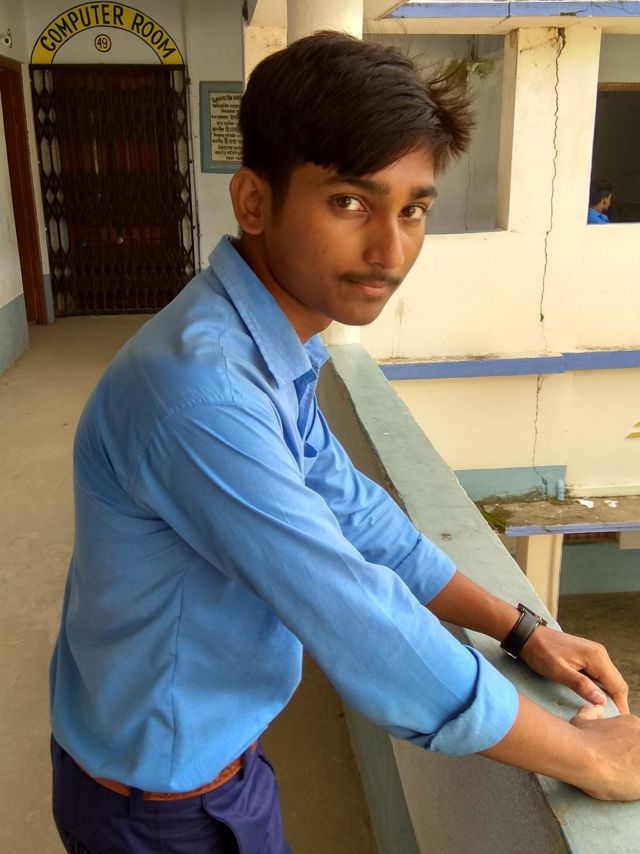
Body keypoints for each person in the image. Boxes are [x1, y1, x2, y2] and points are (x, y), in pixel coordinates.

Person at [50, 32, 640, 854]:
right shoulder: (202, 394)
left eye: (414, 209)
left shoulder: (259, 346)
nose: (390, 251)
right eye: (350, 204)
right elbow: (359, 622)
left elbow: (358, 516)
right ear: (253, 202)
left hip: (210, 763)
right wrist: (589, 756)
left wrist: (521, 631)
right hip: (162, 812)